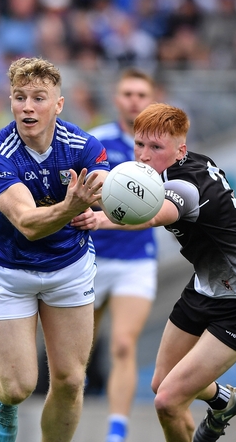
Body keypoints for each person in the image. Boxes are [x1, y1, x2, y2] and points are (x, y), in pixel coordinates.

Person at [73, 103, 236, 442]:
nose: (143, 155)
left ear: (180, 149)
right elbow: (125, 184)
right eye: (140, 144)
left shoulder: (187, 185)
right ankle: (223, 400)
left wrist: (101, 218)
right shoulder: (174, 165)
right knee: (161, 382)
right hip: (205, 288)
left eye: (156, 148)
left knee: (167, 400)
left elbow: (155, 213)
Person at [0, 56, 110, 442]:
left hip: (69, 268)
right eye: (20, 97)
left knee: (71, 380)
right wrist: (73, 206)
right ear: (11, 102)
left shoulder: (84, 146)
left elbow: (105, 189)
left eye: (39, 97)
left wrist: (104, 206)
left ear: (59, 104)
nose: (28, 106)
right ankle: (2, 399)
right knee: (19, 386)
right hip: (11, 271)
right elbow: (27, 223)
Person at [86, 68, 158, 442]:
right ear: (117, 99)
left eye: (141, 94)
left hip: (136, 260)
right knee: (77, 352)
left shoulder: (164, 150)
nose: (134, 99)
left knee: (124, 344)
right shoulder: (96, 142)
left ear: (151, 100)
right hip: (92, 260)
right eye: (127, 93)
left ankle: (117, 430)